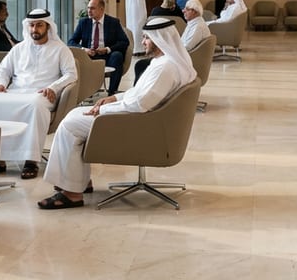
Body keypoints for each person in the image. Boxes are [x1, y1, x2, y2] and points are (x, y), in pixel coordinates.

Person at [38, 17, 197, 210]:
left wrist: (103, 110)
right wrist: (114, 98)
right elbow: (139, 94)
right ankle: (78, 181)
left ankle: (72, 193)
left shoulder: (165, 68)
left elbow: (140, 104)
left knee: (70, 126)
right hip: (142, 118)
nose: (143, 42)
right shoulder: (165, 62)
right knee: (74, 115)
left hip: (139, 124)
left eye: (147, 38)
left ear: (159, 39)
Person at [0, 9, 78, 179]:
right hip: (16, 91)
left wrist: (54, 87)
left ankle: (31, 160)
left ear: (48, 26)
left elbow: (71, 74)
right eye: (32, 25)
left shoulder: (60, 49)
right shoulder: (18, 49)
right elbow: (3, 70)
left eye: (39, 25)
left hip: (43, 94)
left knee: (34, 105)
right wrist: (0, 84)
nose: (35, 29)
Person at [134, 0, 211, 81]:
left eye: (187, 9)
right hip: (181, 56)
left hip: (183, 60)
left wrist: (168, 50)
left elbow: (187, 47)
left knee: (140, 65)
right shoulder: (194, 23)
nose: (183, 11)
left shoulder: (198, 27)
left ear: (194, 11)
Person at [68, 0, 129, 94]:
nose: (89, 11)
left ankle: (112, 92)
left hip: (107, 56)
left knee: (117, 56)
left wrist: (107, 49)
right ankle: (84, 92)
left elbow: (124, 41)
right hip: (88, 56)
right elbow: (71, 41)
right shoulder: (83, 22)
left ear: (101, 9)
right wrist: (84, 50)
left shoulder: (113, 22)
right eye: (88, 8)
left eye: (92, 8)